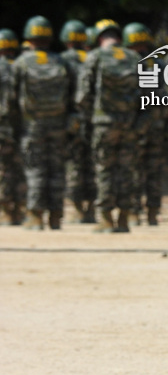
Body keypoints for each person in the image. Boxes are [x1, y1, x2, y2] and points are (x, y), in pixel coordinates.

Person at [14, 16, 72, 230]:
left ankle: (36, 216)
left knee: (35, 169)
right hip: (58, 124)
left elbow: (11, 98)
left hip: (32, 125)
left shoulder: (21, 62)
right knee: (57, 169)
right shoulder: (60, 61)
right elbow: (73, 93)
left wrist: (15, 124)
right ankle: (56, 216)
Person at [123, 23, 167, 226]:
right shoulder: (158, 64)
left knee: (133, 169)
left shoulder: (128, 64)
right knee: (154, 170)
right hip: (156, 125)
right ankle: (152, 212)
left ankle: (133, 212)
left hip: (134, 126)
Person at [58, 20, 95, 224]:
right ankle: (91, 208)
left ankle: (78, 209)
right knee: (92, 163)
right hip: (94, 119)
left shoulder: (62, 60)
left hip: (72, 120)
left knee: (74, 164)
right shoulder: (93, 57)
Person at [0, 39, 21, 225]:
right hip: (18, 125)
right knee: (19, 168)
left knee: (4, 170)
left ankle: (5, 212)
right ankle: (19, 210)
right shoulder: (17, 65)